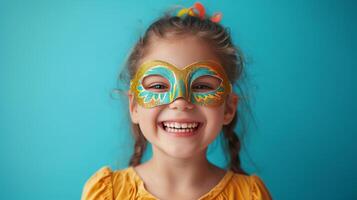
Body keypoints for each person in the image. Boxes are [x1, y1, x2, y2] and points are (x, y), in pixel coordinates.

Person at [81, 2, 272, 200]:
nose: (180, 102)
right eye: (158, 86)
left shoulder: (250, 196)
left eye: (201, 86)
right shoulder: (107, 194)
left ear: (229, 108)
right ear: (134, 106)